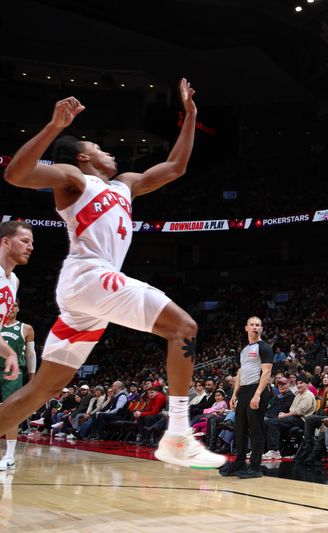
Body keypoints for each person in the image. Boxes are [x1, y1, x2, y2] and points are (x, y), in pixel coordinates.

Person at [1, 82, 225, 469]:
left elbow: (176, 167)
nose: (108, 151)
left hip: (87, 294)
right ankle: (177, 435)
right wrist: (54, 127)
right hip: (90, 276)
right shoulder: (75, 179)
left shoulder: (127, 185)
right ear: (83, 158)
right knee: (183, 328)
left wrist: (190, 116)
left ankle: (176, 437)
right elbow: (16, 175)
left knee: (44, 388)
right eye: (98, 147)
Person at [219, 316, 273, 479]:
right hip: (244, 391)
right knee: (239, 429)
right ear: (246, 328)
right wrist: (235, 393)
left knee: (255, 428)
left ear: (261, 329)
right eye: (252, 325)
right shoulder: (243, 350)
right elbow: (241, 373)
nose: (255, 327)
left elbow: (267, 372)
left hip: (258, 389)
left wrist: (257, 394)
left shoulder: (264, 347)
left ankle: (255, 466)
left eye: (258, 325)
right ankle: (240, 462)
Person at [0, 299, 36, 471]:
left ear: (18, 308)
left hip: (13, 372)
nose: (12, 308)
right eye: (10, 305)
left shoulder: (26, 328)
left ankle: (9, 456)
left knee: (11, 412)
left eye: (15, 305)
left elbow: (31, 354)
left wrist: (32, 376)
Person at [0, 221, 32, 386]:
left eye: (31, 243)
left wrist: (11, 354)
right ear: (6, 242)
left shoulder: (14, 281)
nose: (30, 247)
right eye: (25, 241)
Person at [263, 373, 316, 461]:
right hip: (295, 418)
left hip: (303, 421)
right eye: (297, 383)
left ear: (307, 384)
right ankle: (265, 449)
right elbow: (292, 410)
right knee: (267, 421)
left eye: (301, 383)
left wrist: (285, 415)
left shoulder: (308, 395)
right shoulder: (298, 395)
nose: (298, 385)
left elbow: (299, 412)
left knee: (273, 422)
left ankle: (274, 451)